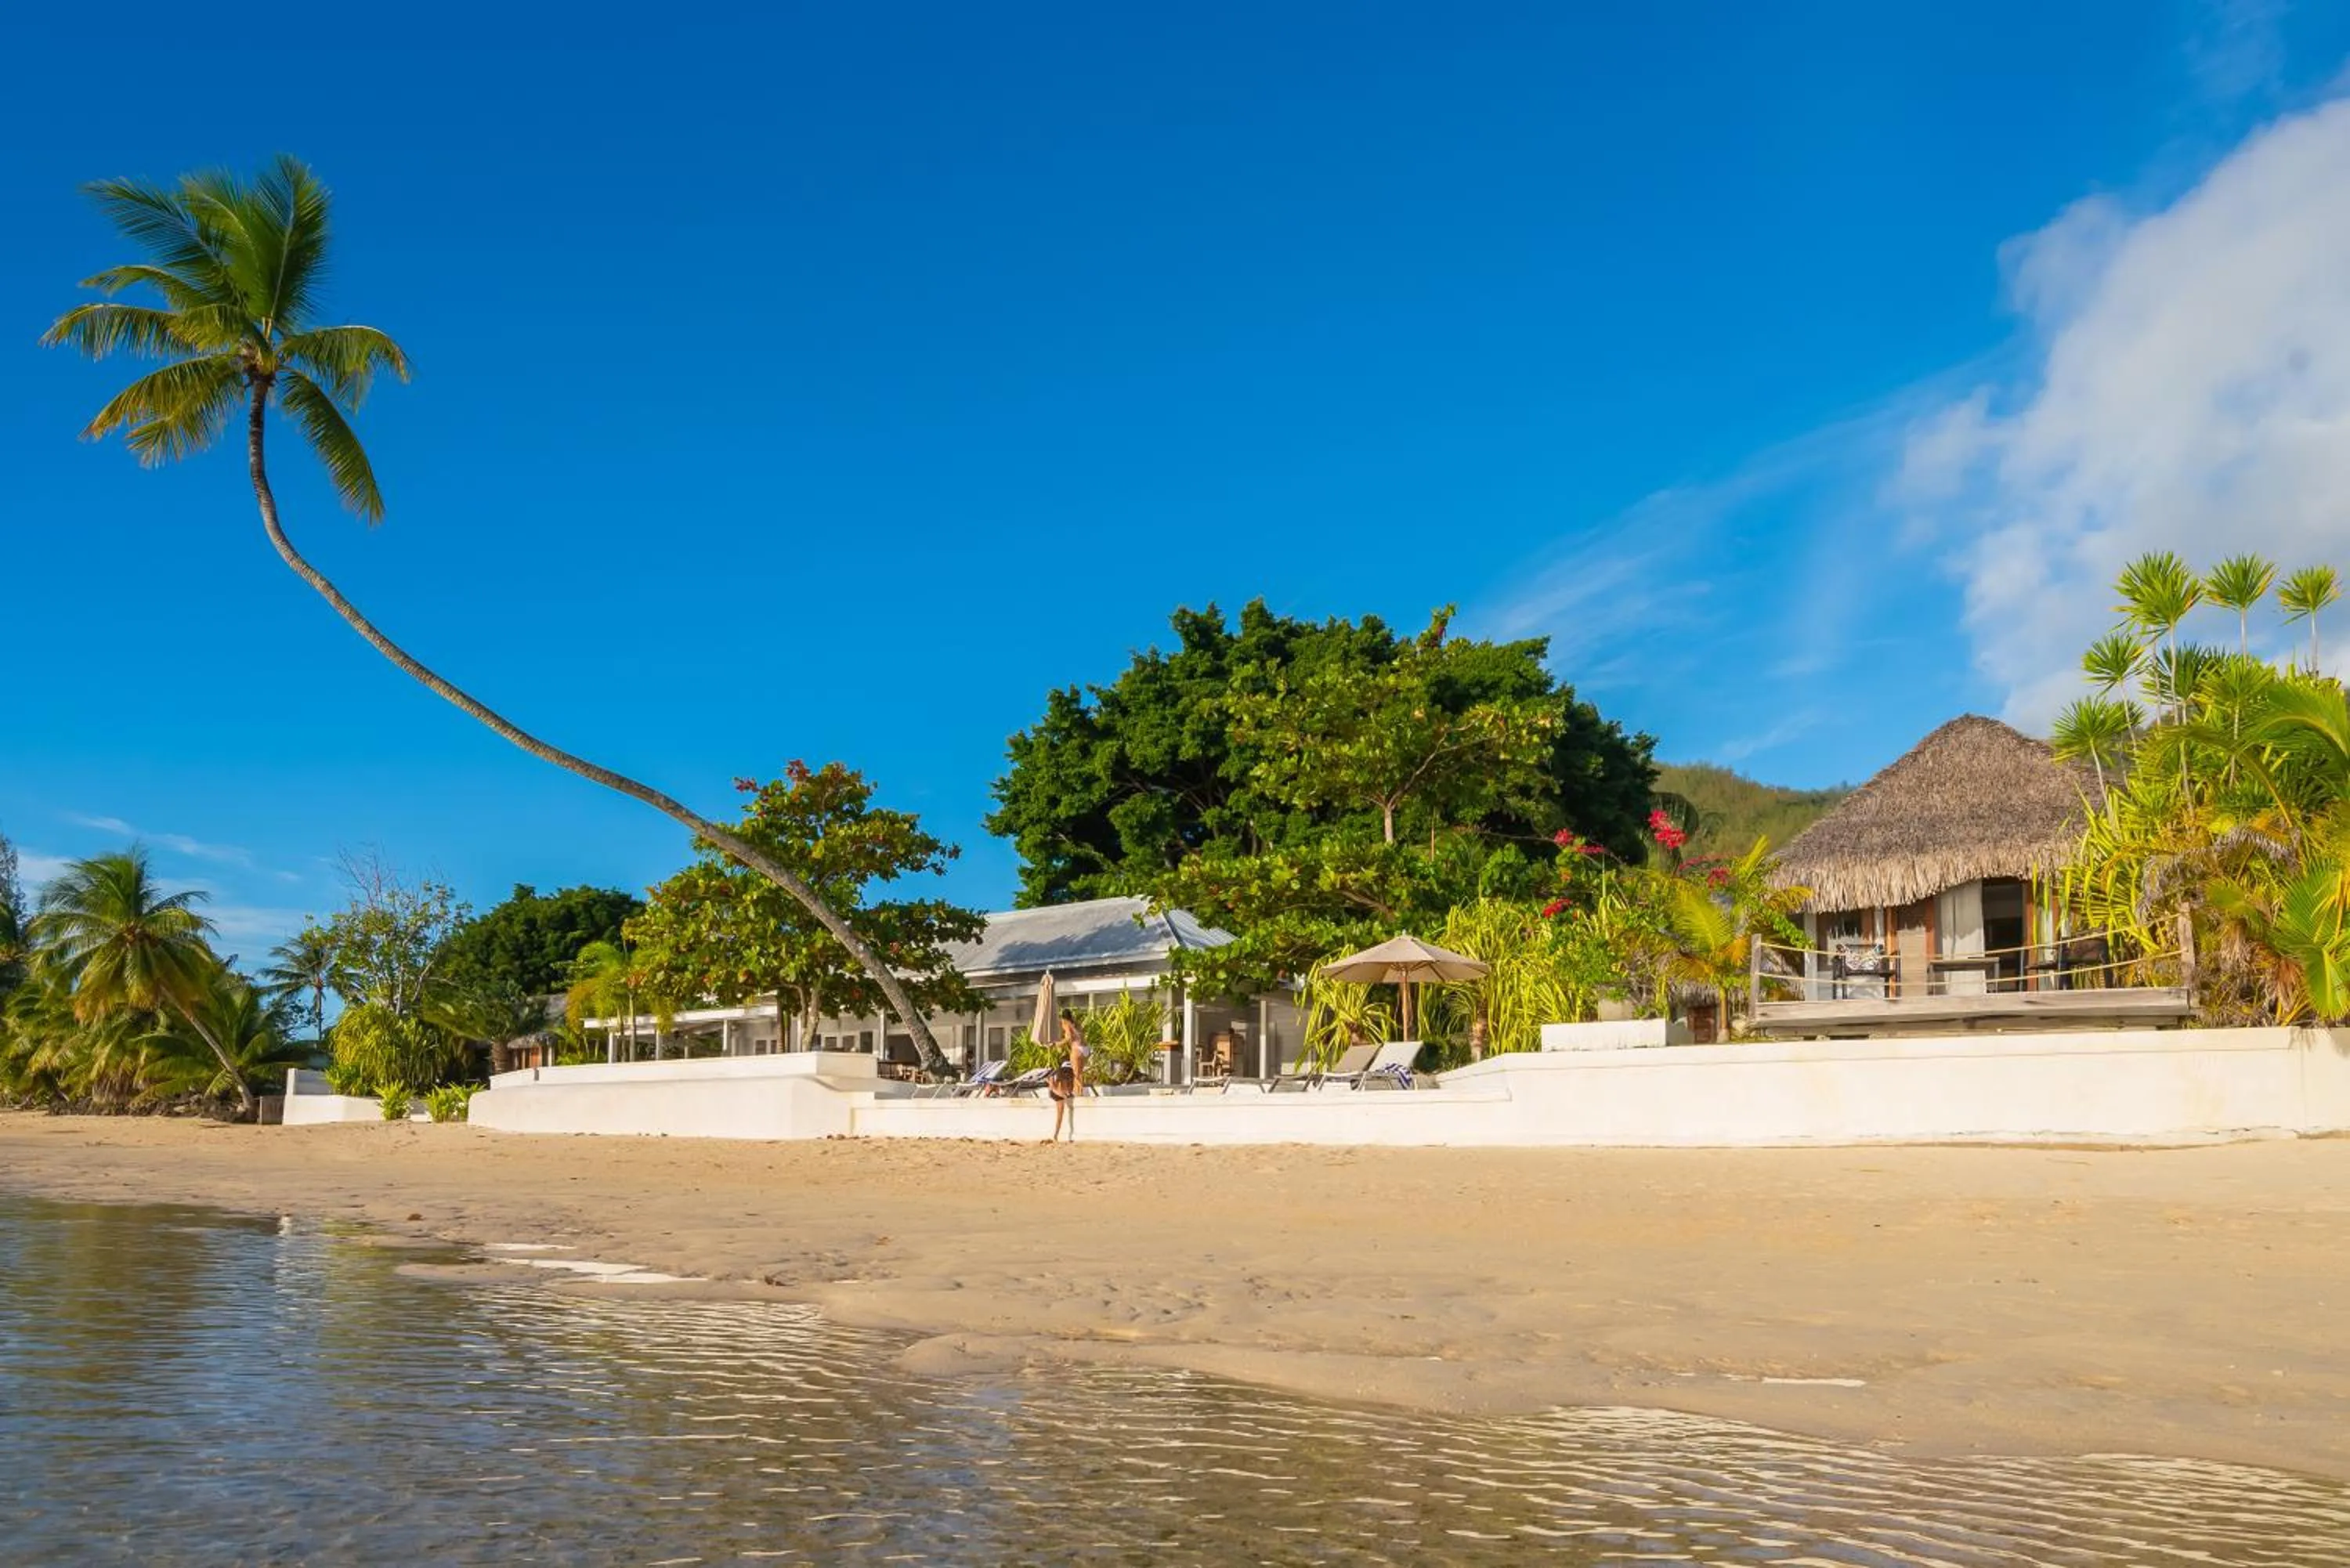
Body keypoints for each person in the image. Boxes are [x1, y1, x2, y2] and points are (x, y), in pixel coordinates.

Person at [1043, 1007, 1087, 1143]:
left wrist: (1056, 1044)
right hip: (1085, 1049)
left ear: (1063, 1018)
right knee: (1080, 1074)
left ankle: (1079, 1094)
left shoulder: (1066, 1024)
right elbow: (1079, 1036)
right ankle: (1079, 1093)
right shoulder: (1076, 1023)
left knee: (1076, 1075)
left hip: (1077, 1049)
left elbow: (1068, 1038)